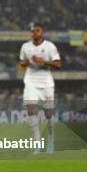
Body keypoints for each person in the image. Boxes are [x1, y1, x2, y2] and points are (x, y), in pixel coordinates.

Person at [19, 24, 61, 154]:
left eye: (37, 31)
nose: (34, 33)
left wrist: (44, 61)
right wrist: (25, 62)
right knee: (31, 110)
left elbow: (58, 64)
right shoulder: (25, 46)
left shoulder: (50, 46)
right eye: (32, 31)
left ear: (42, 32)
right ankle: (37, 145)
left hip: (46, 83)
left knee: (48, 114)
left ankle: (51, 140)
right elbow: (21, 63)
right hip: (30, 82)